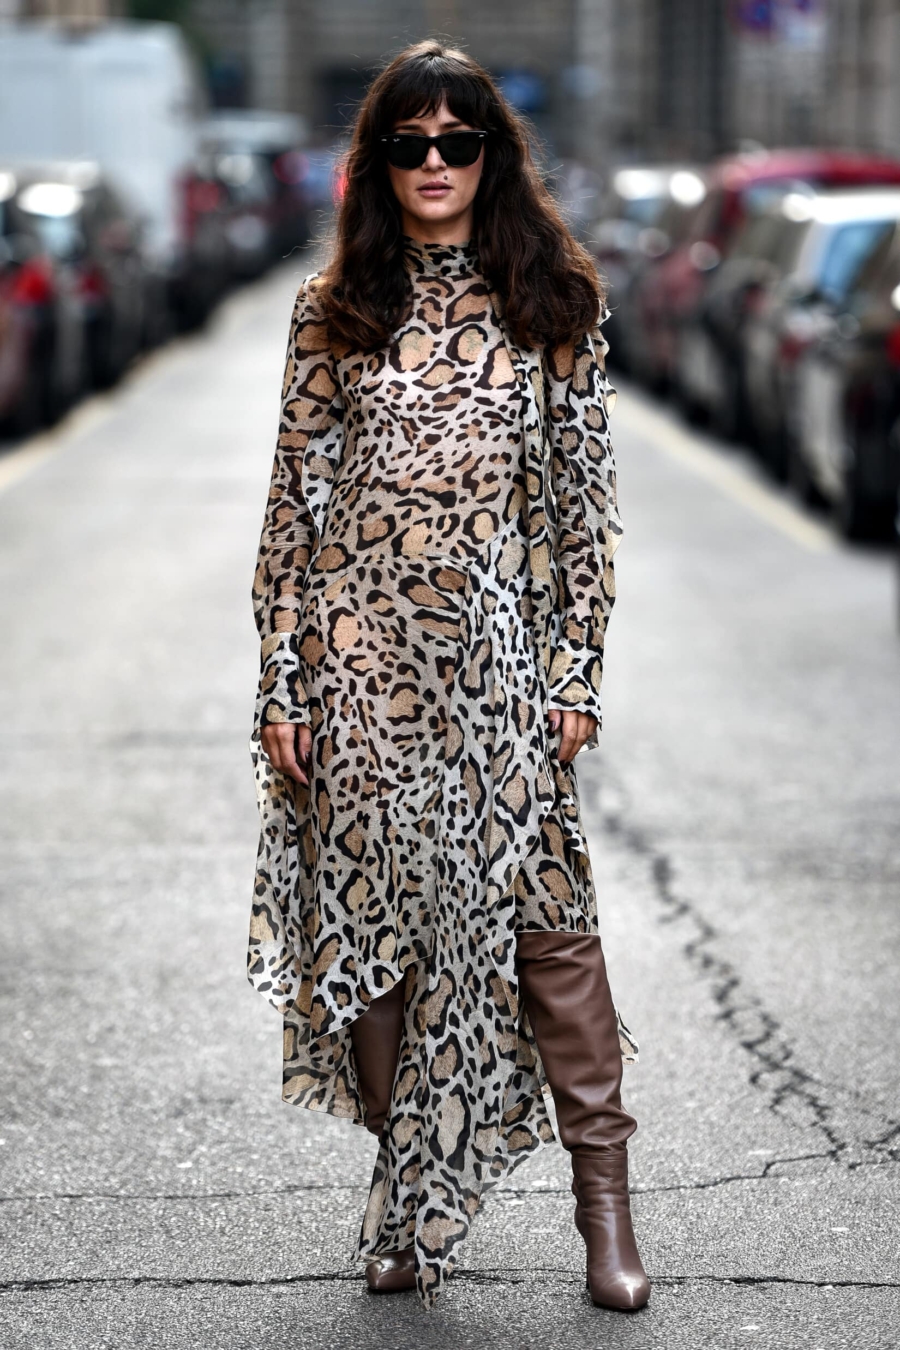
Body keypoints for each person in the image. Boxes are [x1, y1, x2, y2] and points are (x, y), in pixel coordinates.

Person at [247, 39, 649, 1313]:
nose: (433, 164)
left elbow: (582, 508)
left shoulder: (554, 301)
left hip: (501, 676)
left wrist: (575, 671)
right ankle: (405, 1197)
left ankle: (605, 1208)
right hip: (361, 672)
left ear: (493, 155)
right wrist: (282, 686)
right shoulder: (335, 305)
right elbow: (291, 510)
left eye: (456, 143)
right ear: (376, 162)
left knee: (548, 928)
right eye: (408, 145)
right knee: (373, 944)